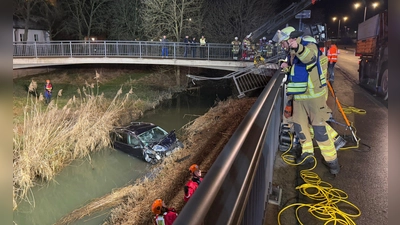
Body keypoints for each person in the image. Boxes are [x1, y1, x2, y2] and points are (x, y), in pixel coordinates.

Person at [273, 26, 340, 175]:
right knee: (301, 129)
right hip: (299, 98)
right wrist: (286, 66)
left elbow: (309, 57)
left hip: (314, 98)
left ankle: (332, 162)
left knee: (320, 131)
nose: (281, 45)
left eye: (282, 42)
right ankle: (307, 155)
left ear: (290, 39)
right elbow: (296, 72)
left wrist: (298, 47)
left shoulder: (309, 46)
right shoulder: (291, 53)